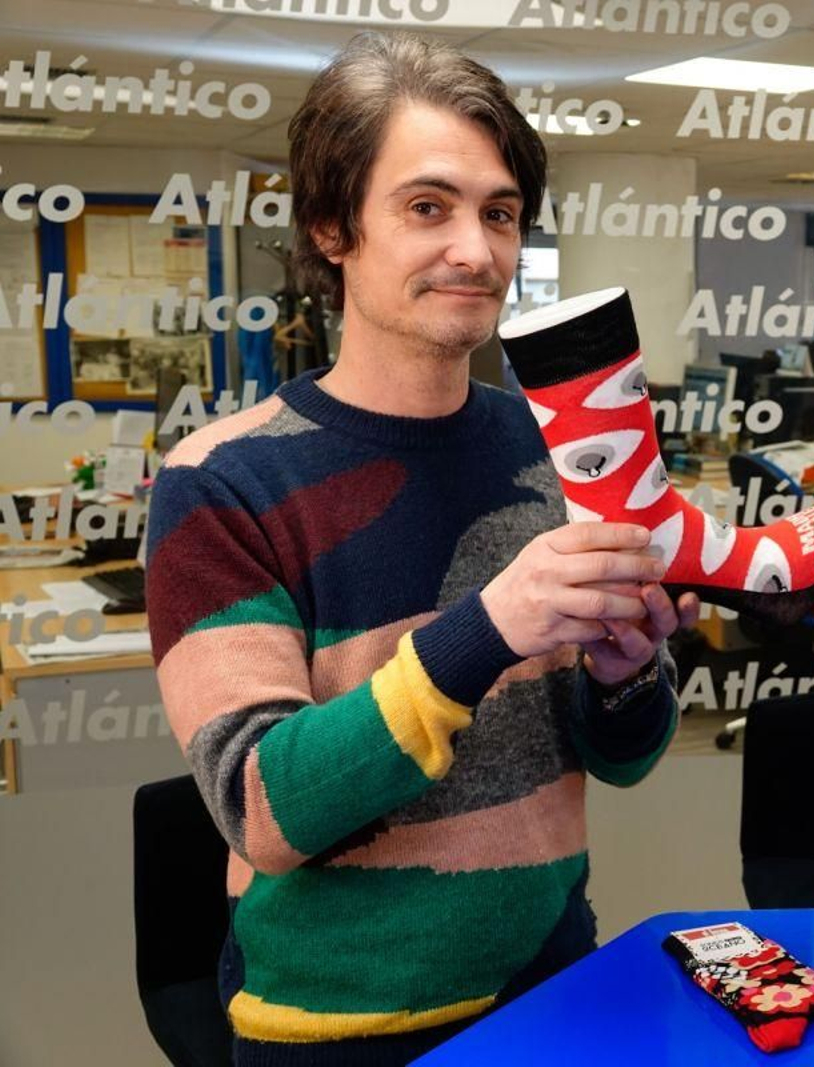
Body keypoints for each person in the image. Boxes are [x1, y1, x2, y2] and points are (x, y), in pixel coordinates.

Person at [146, 33, 695, 1066]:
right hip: (336, 1029)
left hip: (558, 990)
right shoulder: (219, 482)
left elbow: (622, 761)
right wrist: (487, 627)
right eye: (427, 207)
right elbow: (262, 805)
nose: (477, 250)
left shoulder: (554, 449)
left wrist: (625, 678)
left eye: (499, 212)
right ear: (330, 228)